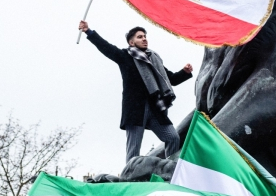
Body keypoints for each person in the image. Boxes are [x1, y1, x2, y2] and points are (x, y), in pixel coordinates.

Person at [78, 22, 193, 162]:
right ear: (131, 42)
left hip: (155, 108)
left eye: (145, 36)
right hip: (135, 109)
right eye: (140, 37)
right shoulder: (125, 56)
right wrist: (88, 31)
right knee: (134, 150)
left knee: (173, 137)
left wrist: (184, 72)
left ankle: (169, 170)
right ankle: (130, 179)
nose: (144, 39)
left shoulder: (154, 60)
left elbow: (171, 79)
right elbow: (106, 47)